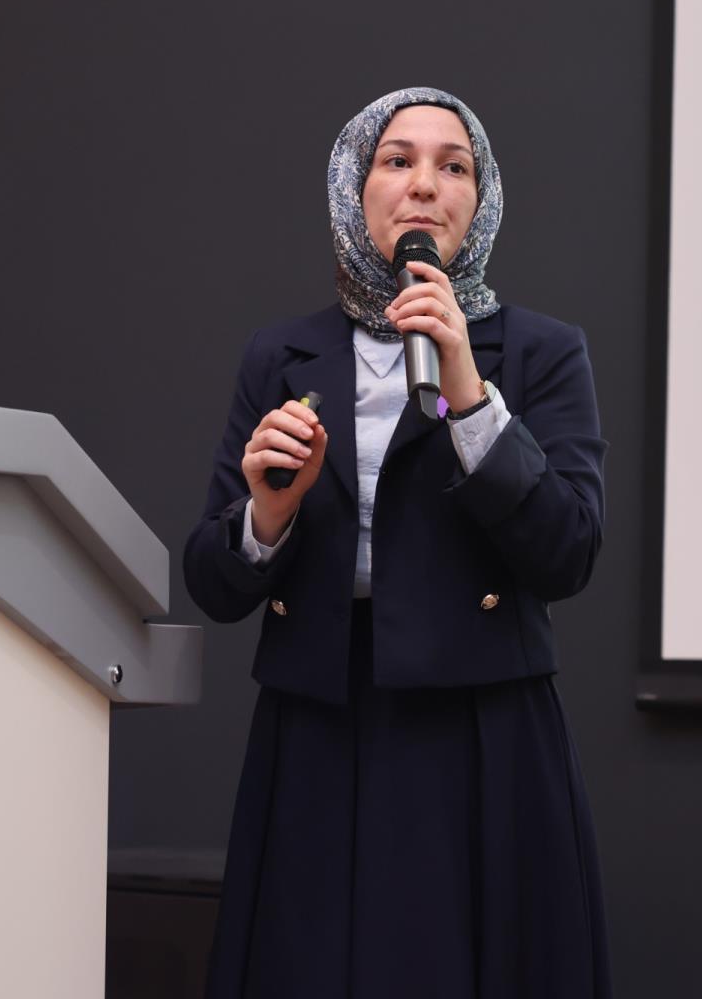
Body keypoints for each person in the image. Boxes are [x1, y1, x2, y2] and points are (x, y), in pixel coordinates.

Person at [185, 87, 611, 998]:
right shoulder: (281, 355)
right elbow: (213, 583)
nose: (424, 184)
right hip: (318, 727)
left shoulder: (539, 353)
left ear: (480, 201)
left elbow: (568, 551)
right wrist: (268, 513)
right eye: (397, 160)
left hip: (482, 731)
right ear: (354, 188)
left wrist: (471, 398)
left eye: (453, 166)